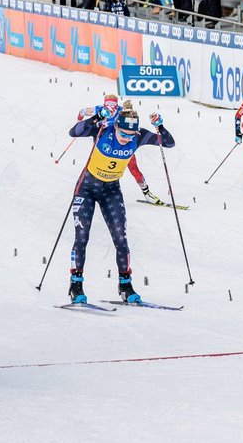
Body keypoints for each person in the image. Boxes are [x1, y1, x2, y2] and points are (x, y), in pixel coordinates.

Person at [66, 101, 174, 305]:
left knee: (120, 239)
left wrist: (160, 126)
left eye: (130, 136)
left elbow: (168, 143)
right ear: (116, 126)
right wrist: (97, 117)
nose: (126, 139)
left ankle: (125, 285)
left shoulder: (139, 136)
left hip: (111, 190)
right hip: (86, 188)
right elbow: (74, 132)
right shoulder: (102, 129)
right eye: (123, 134)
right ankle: (76, 285)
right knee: (82, 236)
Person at [77, 94, 162, 204]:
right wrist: (81, 122)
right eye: (108, 105)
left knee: (134, 169)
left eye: (113, 105)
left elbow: (132, 123)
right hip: (104, 145)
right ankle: (87, 191)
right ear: (104, 104)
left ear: (117, 104)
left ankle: (146, 192)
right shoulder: (99, 109)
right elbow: (82, 112)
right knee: (93, 167)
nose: (111, 108)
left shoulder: (121, 111)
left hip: (123, 146)